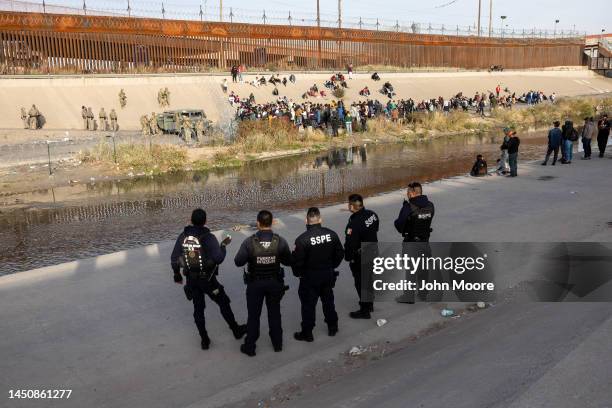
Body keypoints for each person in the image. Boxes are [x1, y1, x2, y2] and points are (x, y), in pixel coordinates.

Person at [171, 209, 246, 350]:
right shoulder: (209, 237)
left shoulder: (183, 236)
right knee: (223, 301)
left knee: (198, 309)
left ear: (190, 220)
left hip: (191, 280)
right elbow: (218, 258)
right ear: (205, 221)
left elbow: (174, 258)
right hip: (208, 280)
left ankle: (204, 340)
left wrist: (177, 274)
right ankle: (236, 330)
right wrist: (223, 247)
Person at [234, 210, 292, 356]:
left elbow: (238, 261)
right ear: (272, 223)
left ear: (258, 223)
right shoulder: (280, 241)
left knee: (253, 316)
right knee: (274, 314)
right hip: (274, 283)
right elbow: (288, 261)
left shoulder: (249, 242)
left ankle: (250, 347)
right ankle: (277, 344)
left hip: (255, 284)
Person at [292, 207, 344, 342]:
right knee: (328, 301)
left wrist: (299, 274)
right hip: (327, 274)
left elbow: (297, 262)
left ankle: (307, 333)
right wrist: (332, 266)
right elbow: (340, 253)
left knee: (308, 306)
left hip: (310, 277)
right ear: (320, 219)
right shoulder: (331, 234)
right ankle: (333, 327)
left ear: (306, 221)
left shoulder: (302, 240)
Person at [393, 182, 435, 303]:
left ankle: (409, 296)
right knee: (423, 270)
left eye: (407, 192)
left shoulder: (408, 207)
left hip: (411, 243)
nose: (406, 194)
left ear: (412, 193)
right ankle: (423, 293)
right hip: (425, 242)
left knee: (410, 271)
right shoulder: (431, 205)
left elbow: (399, 225)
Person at [344, 194, 379, 319]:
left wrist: (348, 257)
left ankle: (365, 311)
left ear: (352, 206)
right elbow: (376, 229)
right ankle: (369, 304)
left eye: (349, 204)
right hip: (373, 251)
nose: (348, 206)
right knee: (369, 279)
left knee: (360, 283)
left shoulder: (353, 224)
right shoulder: (372, 214)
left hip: (361, 257)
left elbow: (350, 245)